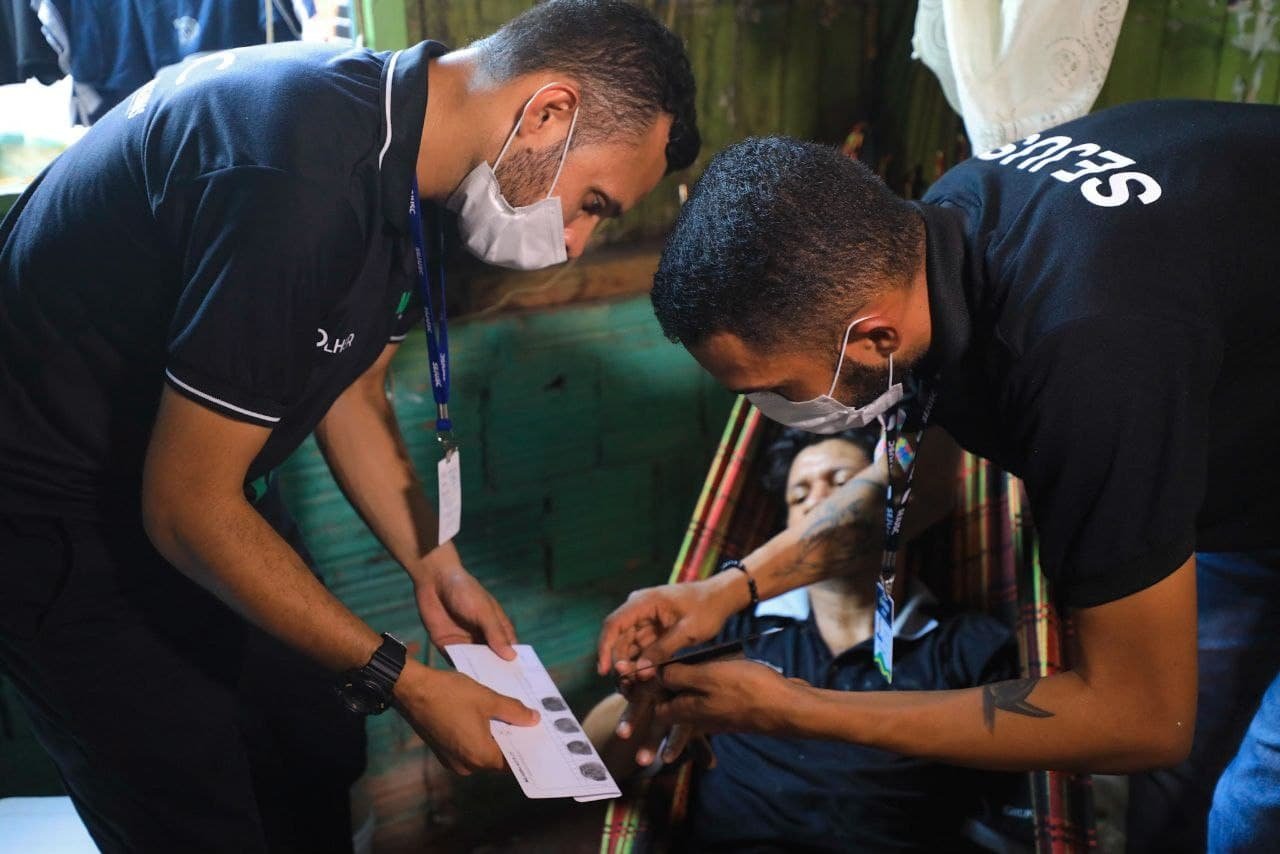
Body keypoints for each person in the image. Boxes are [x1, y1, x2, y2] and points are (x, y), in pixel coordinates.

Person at [0, 1, 699, 850]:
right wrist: (404, 680)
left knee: (313, 745)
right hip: (57, 516)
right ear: (548, 112)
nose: (578, 242)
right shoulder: (296, 176)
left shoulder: (419, 154)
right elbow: (185, 510)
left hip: (209, 482)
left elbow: (352, 389)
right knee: (195, 814)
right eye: (591, 202)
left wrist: (434, 564)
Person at [597, 101, 1280, 853]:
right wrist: (726, 590)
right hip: (1239, 456)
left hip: (1159, 381)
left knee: (1250, 808)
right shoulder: (934, 237)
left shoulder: (1087, 365)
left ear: (874, 338)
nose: (773, 411)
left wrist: (797, 710)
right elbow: (918, 487)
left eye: (778, 389)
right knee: (1184, 775)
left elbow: (1142, 719)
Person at [585, 426, 1027, 852]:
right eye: (799, 496)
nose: (819, 502)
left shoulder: (968, 648)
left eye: (845, 485)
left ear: (898, 511)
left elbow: (1021, 799)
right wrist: (643, 703)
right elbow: (598, 761)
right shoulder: (732, 632)